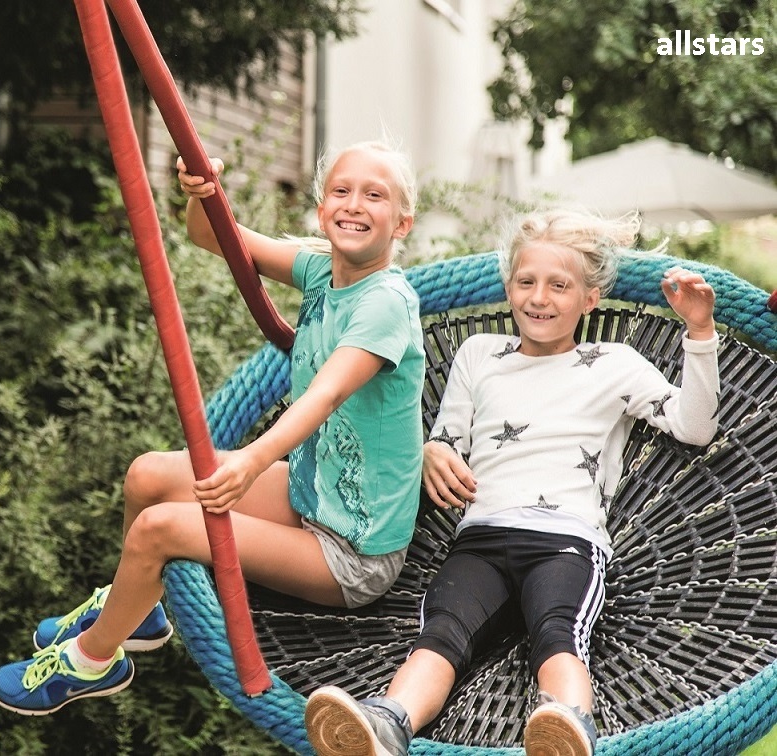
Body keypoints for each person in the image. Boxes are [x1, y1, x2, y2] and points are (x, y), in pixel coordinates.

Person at [0, 140, 426, 715]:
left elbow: (327, 394)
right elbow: (212, 237)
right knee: (147, 475)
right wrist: (203, 196)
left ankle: (92, 661)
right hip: (308, 496)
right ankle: (138, 610)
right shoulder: (322, 271)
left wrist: (247, 462)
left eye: (375, 196)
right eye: (341, 192)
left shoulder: (386, 302)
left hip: (351, 551)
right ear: (321, 209)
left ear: (402, 223)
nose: (354, 205)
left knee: (160, 529)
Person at [304, 208, 720, 756]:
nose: (539, 298)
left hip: (566, 541)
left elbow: (695, 426)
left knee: (557, 632)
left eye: (559, 285)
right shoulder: (480, 357)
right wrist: (433, 451)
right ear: (508, 287)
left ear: (590, 298)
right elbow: (448, 439)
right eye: (526, 282)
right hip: (481, 535)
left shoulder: (613, 363)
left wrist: (700, 331)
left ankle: (566, 727)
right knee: (442, 633)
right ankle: (387, 723)